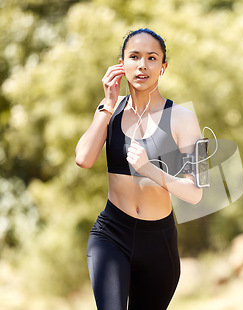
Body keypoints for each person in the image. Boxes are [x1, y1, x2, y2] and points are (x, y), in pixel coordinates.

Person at [75, 28, 203, 310]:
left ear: (163, 67)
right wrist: (107, 104)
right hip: (111, 235)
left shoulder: (183, 118)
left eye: (152, 58)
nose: (142, 65)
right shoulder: (109, 110)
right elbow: (83, 158)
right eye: (134, 56)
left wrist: (150, 169)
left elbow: (196, 194)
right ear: (122, 63)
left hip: (159, 243)